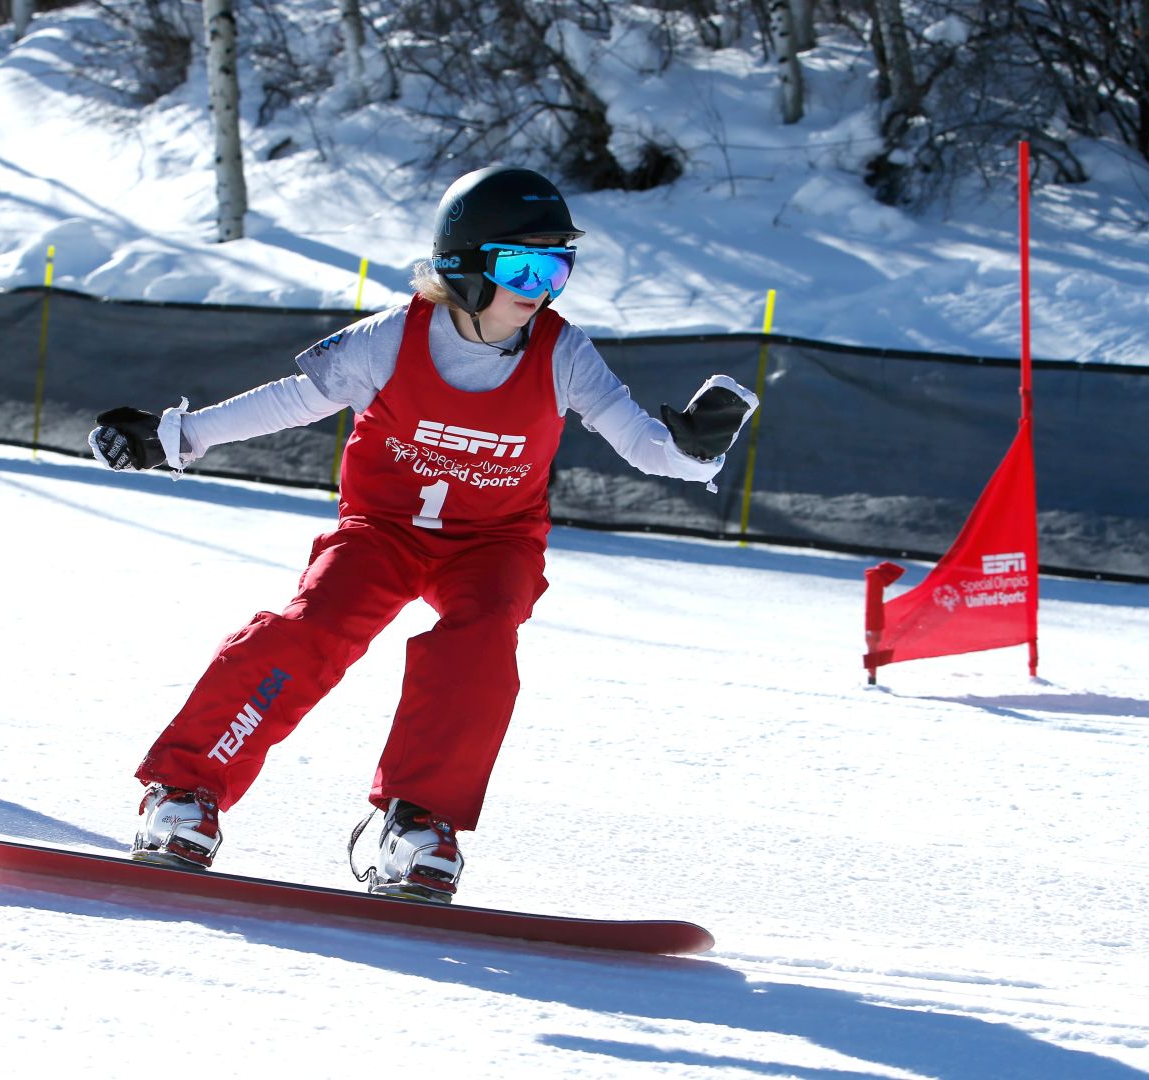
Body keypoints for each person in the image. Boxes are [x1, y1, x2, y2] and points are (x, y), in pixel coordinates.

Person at [88, 165, 758, 903]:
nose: (540, 286)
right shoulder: (390, 339)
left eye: (557, 266)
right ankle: (181, 794)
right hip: (382, 530)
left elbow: (639, 440)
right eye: (522, 265)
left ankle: (420, 824)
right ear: (464, 266)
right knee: (310, 629)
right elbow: (291, 401)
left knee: (481, 641)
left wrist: (695, 452)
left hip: (494, 542)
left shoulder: (562, 353)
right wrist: (174, 437)